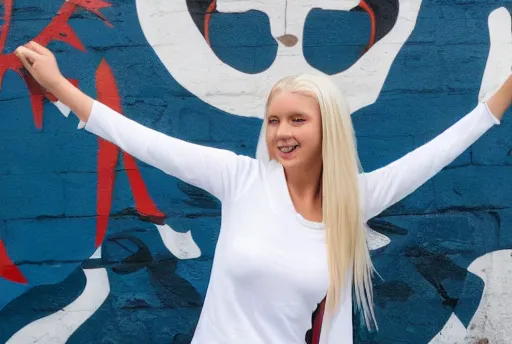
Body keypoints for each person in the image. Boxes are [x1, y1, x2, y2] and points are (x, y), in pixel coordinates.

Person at [15, 41, 511, 344]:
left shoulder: (353, 200)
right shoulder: (240, 179)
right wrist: (59, 85)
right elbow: (144, 142)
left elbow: (439, 151)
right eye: (274, 120)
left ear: (328, 128)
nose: (281, 132)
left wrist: (503, 94)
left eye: (298, 119)